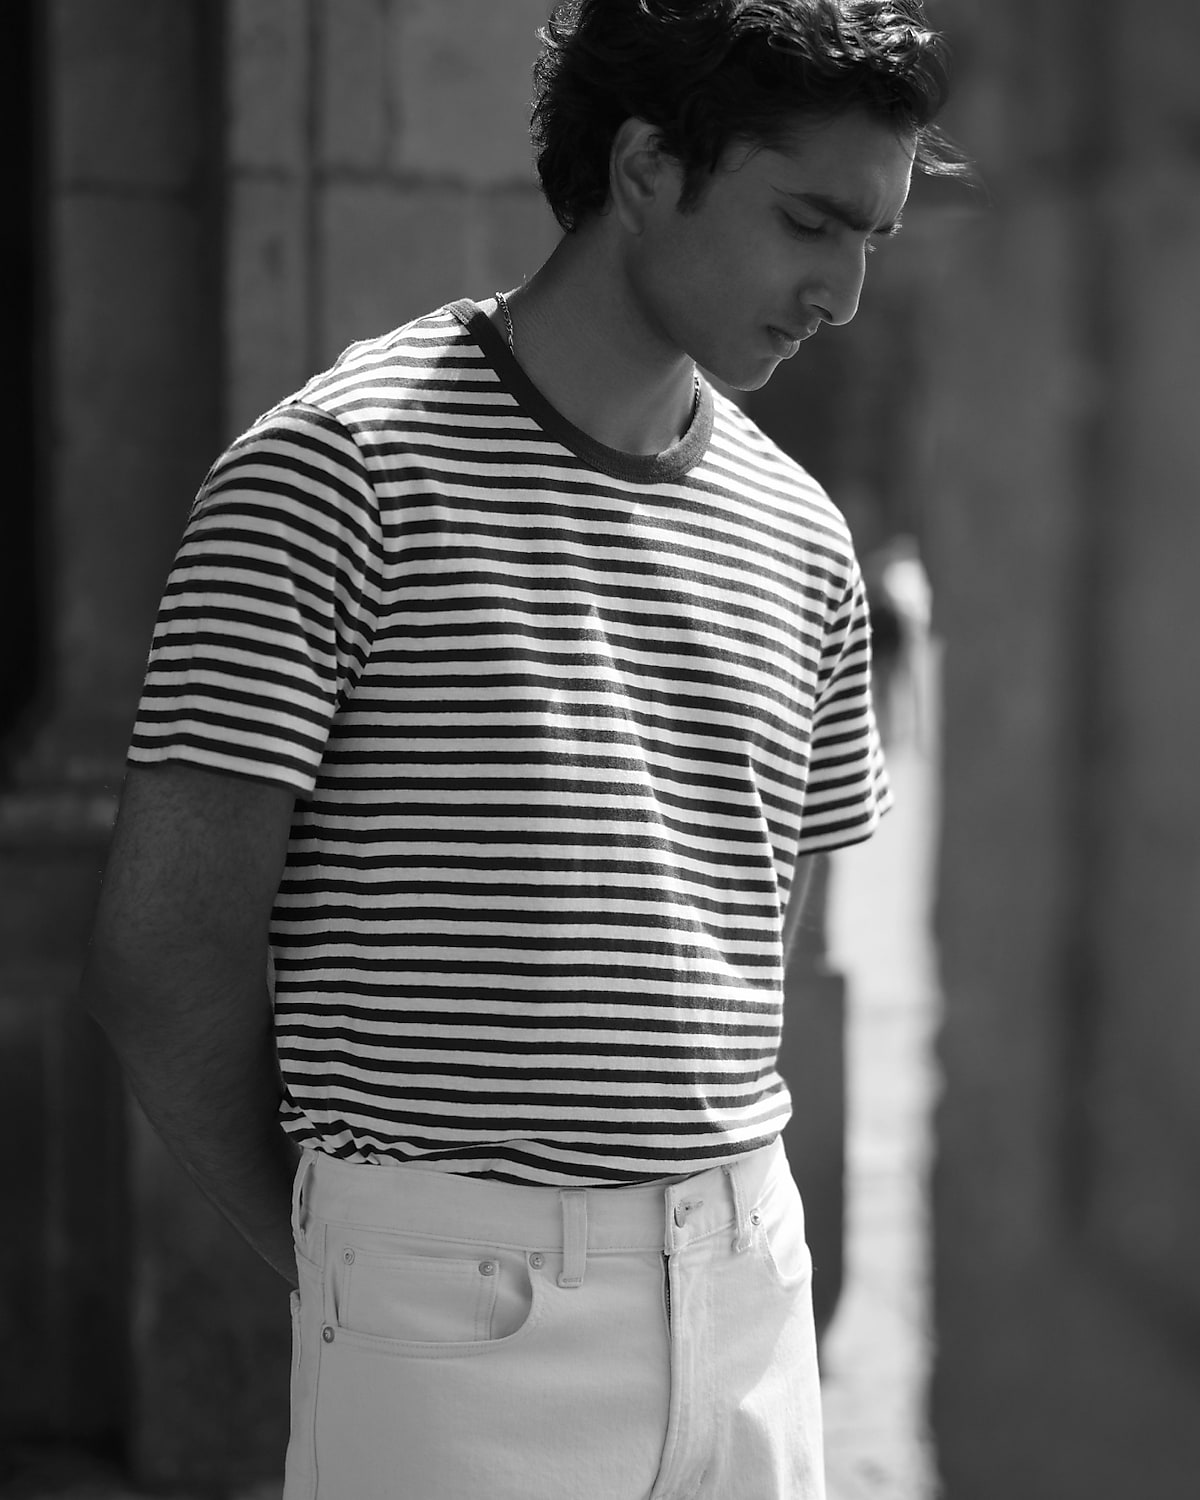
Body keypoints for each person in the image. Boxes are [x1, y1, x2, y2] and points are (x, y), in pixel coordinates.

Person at [82, 2, 967, 1495]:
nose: (843, 292)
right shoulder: (337, 470)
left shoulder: (804, 538)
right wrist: (362, 1258)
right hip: (452, 1316)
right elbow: (163, 955)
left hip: (750, 1288)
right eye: (811, 220)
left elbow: (756, 941)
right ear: (642, 166)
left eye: (873, 237)